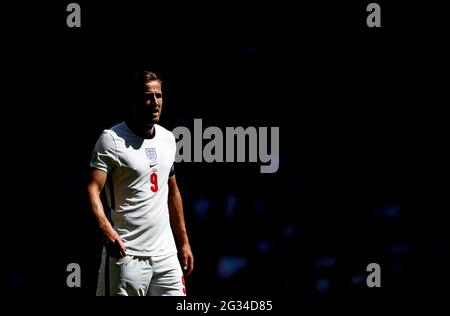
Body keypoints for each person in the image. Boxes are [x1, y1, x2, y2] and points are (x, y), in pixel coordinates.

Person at [87, 70, 194, 296]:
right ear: (132, 100)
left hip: (166, 257)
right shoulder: (111, 140)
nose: (155, 102)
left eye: (159, 95)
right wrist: (105, 227)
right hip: (127, 256)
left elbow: (172, 192)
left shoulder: (167, 139)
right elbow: (92, 188)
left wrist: (183, 242)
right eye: (147, 96)